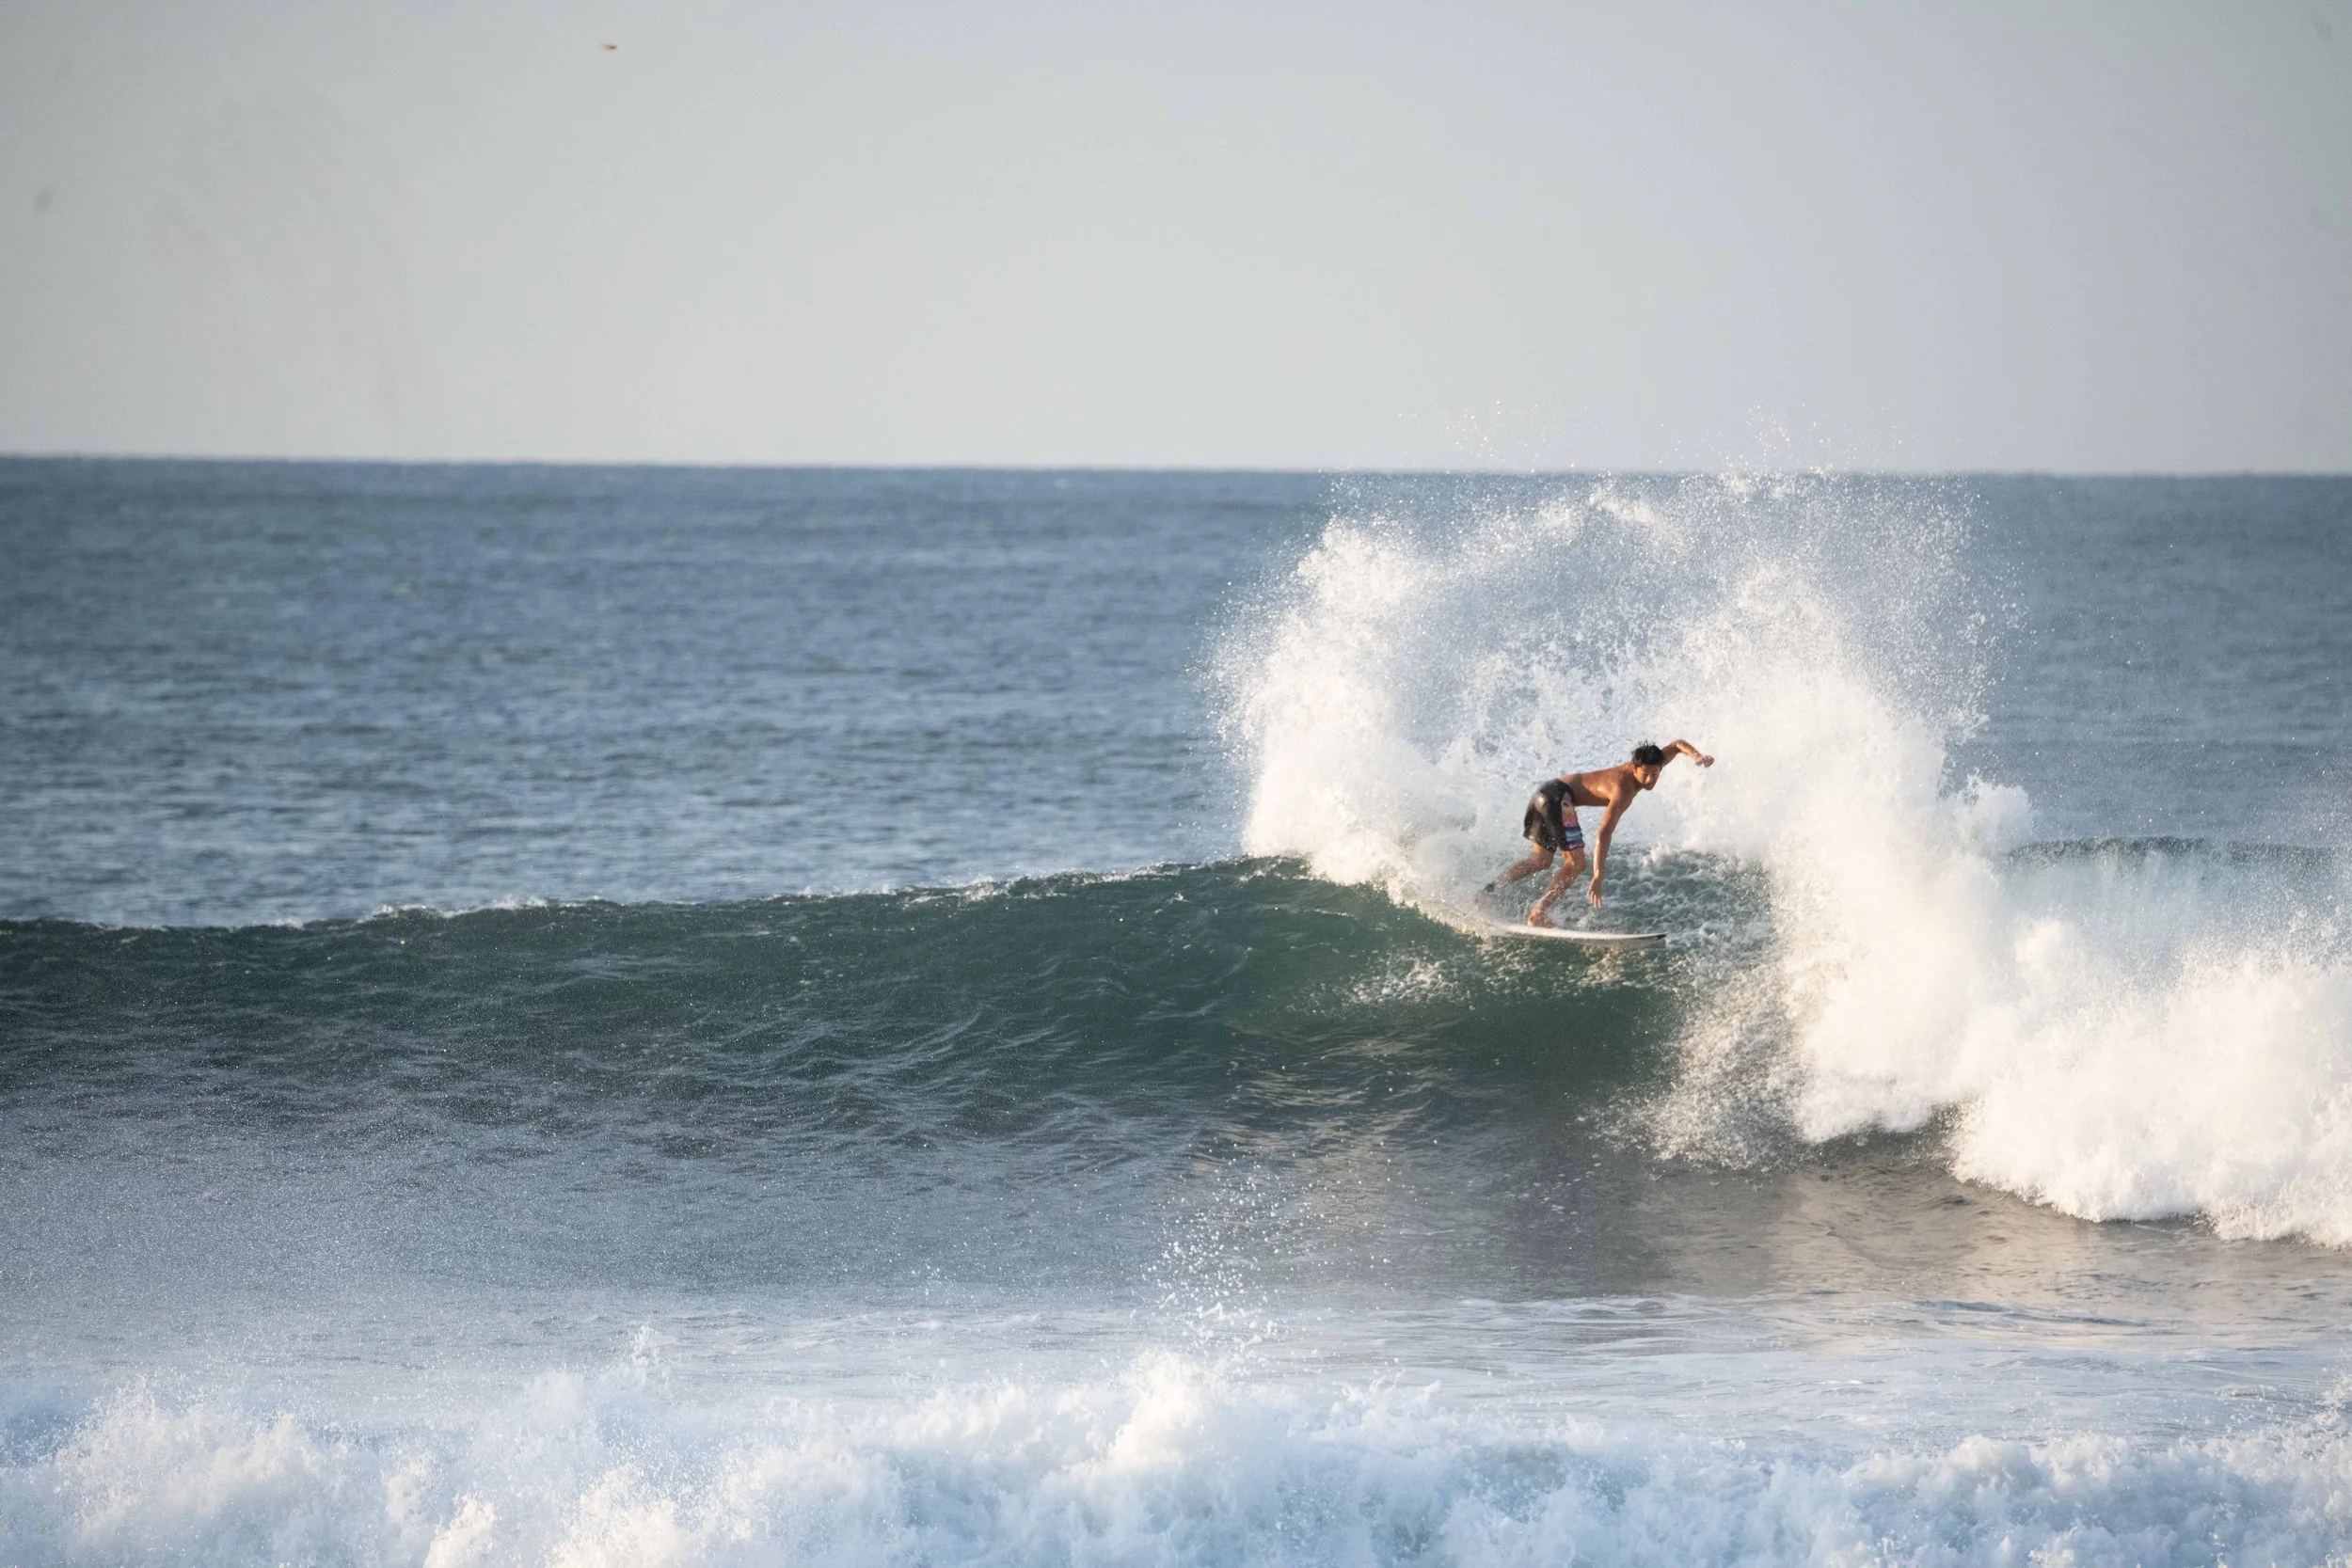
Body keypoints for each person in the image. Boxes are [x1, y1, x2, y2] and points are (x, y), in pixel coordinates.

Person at [1486, 740, 1712, 926]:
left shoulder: (1651, 762)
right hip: (1557, 798)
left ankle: (1487, 892)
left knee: (1541, 861)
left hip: (1543, 793)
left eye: (1656, 773)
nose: (1650, 779)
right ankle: (1538, 914)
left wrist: (1696, 756)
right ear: (1634, 768)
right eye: (1645, 774)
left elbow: (1676, 745)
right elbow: (1604, 834)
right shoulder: (1622, 790)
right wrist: (1597, 875)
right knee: (1576, 864)